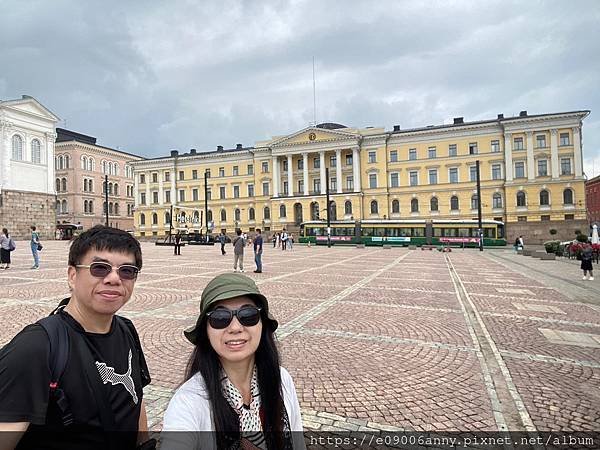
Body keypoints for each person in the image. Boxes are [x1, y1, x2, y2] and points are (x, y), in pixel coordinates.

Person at [0, 225, 152, 450]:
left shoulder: (126, 330)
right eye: (99, 268)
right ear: (72, 276)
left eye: (127, 271)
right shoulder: (35, 348)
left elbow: (134, 398)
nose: (114, 279)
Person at [161, 273, 304, 450]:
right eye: (220, 318)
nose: (235, 328)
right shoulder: (189, 401)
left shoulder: (282, 380)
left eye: (248, 315)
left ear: (262, 324)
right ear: (206, 329)